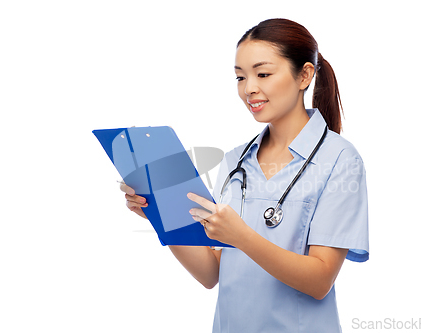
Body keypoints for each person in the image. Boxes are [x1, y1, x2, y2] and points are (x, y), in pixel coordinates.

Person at [121, 18, 369, 333]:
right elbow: (212, 274)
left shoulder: (340, 159)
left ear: (304, 75)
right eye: (240, 77)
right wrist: (159, 212)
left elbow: (320, 280)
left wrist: (242, 236)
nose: (249, 88)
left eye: (263, 74)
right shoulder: (236, 159)